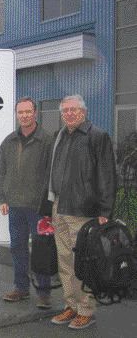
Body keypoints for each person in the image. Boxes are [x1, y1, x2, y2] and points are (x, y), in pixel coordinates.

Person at [48, 94, 116, 329]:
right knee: (64, 260)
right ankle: (71, 305)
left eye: (73, 110)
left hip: (83, 210)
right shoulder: (60, 136)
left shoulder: (97, 136)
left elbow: (107, 175)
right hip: (60, 206)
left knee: (83, 262)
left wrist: (105, 209)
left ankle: (86, 308)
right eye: (65, 110)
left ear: (84, 112)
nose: (69, 114)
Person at [0, 97, 53, 309]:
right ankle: (21, 288)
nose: (24, 115)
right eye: (21, 112)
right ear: (16, 114)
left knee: (42, 249)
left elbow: (51, 175)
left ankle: (44, 293)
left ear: (35, 113)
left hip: (38, 207)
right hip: (15, 206)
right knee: (17, 247)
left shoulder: (47, 140)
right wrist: (2, 197)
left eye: (28, 112)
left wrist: (48, 204)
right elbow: (1, 172)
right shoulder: (8, 141)